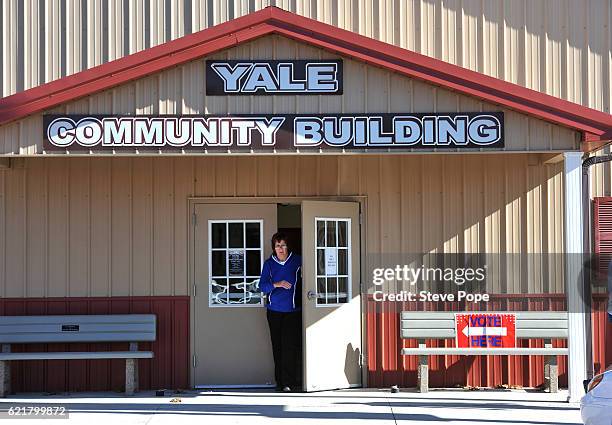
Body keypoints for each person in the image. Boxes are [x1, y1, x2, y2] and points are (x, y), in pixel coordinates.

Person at [259, 232, 302, 392]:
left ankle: (290, 383)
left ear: (288, 246)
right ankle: (280, 382)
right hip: (274, 311)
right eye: (277, 246)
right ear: (274, 248)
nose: (281, 249)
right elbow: (262, 286)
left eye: (283, 245)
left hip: (293, 311)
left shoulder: (298, 261)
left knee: (290, 346)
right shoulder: (269, 264)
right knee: (277, 347)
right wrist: (277, 284)